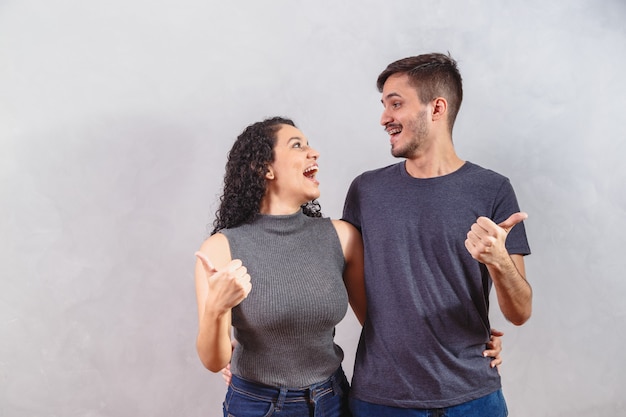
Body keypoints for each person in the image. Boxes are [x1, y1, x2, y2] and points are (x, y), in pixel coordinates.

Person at [341, 52, 532, 417]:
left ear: (437, 108)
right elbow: (351, 286)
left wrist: (498, 262)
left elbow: (520, 311)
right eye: (383, 105)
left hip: (473, 399)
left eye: (395, 104)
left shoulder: (492, 190)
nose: (384, 118)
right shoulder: (366, 192)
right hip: (380, 401)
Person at [194, 117, 367, 416]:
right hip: (258, 405)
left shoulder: (342, 237)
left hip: (333, 401)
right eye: (297, 145)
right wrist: (216, 309)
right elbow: (213, 361)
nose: (314, 153)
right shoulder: (220, 250)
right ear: (265, 168)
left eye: (308, 144)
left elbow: (379, 325)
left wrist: (474, 331)